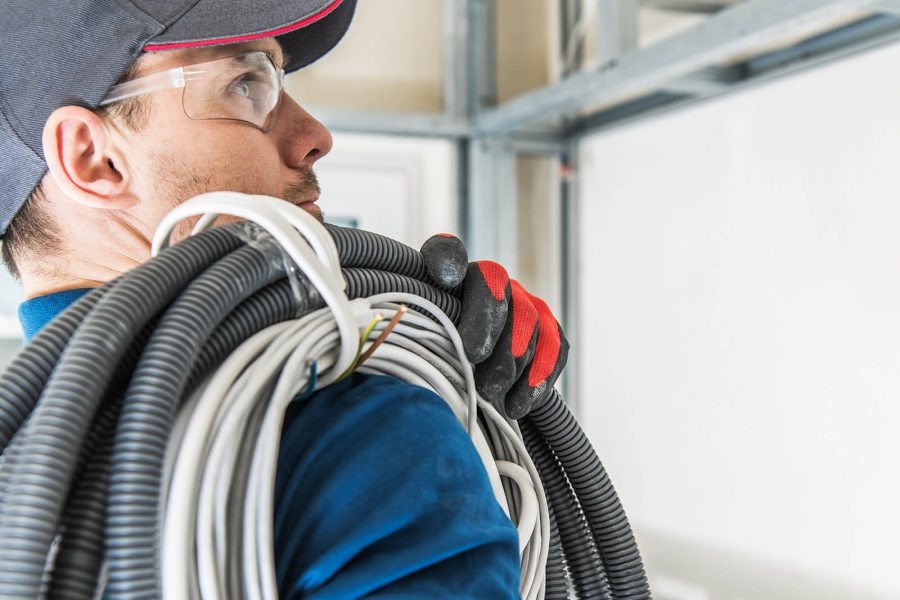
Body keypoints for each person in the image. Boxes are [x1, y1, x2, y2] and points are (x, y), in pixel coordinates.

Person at [0, 0, 567, 597]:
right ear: (94, 159)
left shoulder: (18, 465)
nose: (314, 136)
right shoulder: (358, 437)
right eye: (245, 82)